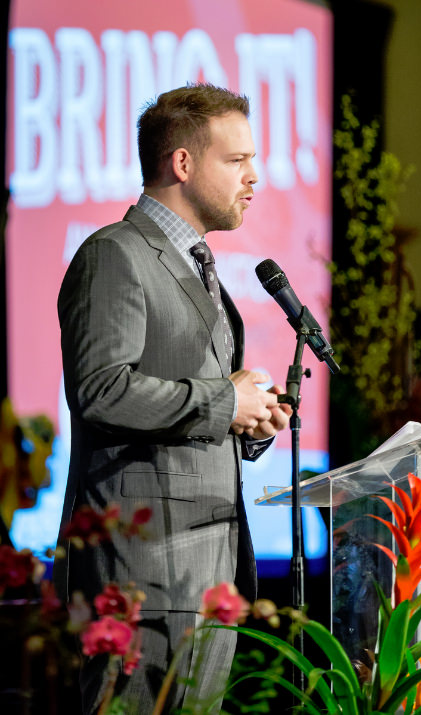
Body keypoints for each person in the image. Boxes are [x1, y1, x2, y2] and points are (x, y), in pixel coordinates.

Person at [54, 83, 291, 714]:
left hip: (204, 571)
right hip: (142, 575)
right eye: (237, 160)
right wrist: (222, 401)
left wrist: (250, 419)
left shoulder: (198, 263)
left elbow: (197, 408)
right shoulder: (116, 254)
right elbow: (100, 390)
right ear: (183, 164)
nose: (255, 176)